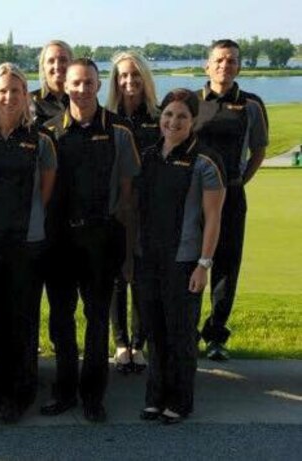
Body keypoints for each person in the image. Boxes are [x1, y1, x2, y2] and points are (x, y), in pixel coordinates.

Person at [41, 58, 139, 423]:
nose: (82, 90)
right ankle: (64, 390)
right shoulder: (48, 130)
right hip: (59, 239)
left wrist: (124, 248)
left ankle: (93, 395)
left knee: (98, 320)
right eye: (76, 83)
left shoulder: (119, 131)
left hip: (101, 237)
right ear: (64, 86)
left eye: (89, 83)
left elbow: (127, 195)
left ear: (99, 86)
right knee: (61, 320)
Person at [0, 63, 56, 423]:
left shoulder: (41, 141)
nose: (8, 97)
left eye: (16, 91)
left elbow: (46, 190)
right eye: (2, 91)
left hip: (27, 241)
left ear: (26, 96)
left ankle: (21, 393)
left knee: (23, 320)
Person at [135, 89, 225, 424]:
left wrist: (204, 264)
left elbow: (214, 218)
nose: (173, 122)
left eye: (182, 116)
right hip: (149, 258)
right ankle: (155, 398)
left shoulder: (205, 160)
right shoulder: (148, 155)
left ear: (193, 121)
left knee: (181, 334)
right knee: (155, 332)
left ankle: (180, 400)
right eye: (168, 115)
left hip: (185, 261)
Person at [194, 39, 268, 362]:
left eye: (232, 61)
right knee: (188, 262)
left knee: (226, 266)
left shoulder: (250, 104)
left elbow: (259, 150)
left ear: (239, 66)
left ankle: (215, 336)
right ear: (207, 65)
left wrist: (236, 183)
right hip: (192, 196)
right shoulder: (190, 101)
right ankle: (185, 332)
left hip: (232, 195)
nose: (225, 66)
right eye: (220, 60)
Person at [105, 50, 160, 373]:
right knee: (116, 277)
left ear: (145, 79)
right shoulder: (108, 119)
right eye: (123, 76)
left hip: (149, 209)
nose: (129, 81)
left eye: (135, 75)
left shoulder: (157, 116)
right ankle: (121, 342)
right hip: (115, 208)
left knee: (140, 276)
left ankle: (139, 343)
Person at [30, 40, 73, 124]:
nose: (57, 66)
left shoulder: (81, 99)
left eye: (63, 60)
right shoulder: (29, 101)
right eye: (51, 61)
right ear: (43, 66)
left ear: (72, 64)